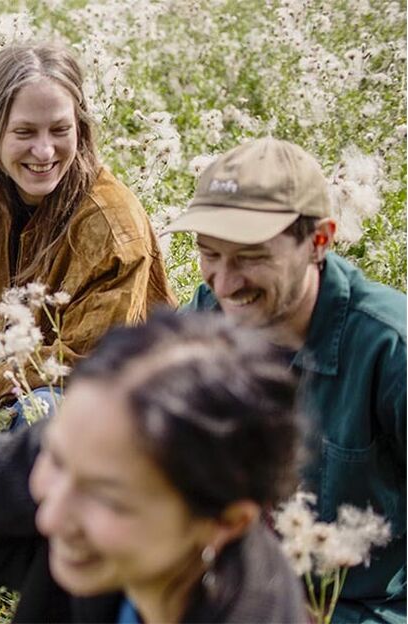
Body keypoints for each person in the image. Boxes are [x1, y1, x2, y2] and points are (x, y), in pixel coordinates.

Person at [0, 311, 308, 623]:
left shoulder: (257, 608)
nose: (50, 519)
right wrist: (81, 443)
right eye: (55, 459)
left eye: (106, 496)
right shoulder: (125, 551)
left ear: (227, 522)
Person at [167, 137, 406, 623]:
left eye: (251, 257)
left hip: (360, 608)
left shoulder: (389, 348)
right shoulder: (207, 316)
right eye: (209, 253)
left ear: (319, 241)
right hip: (242, 588)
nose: (225, 282)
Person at [0, 42, 174, 428]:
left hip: (95, 408)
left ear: (81, 128)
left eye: (60, 130)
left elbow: (95, 357)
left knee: (37, 416)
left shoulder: (110, 223)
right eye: (24, 132)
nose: (44, 151)